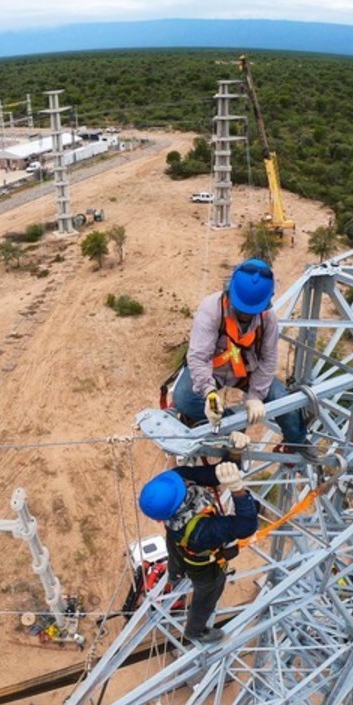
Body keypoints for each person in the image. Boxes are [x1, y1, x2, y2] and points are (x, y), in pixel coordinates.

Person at [172, 258, 311, 455]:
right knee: (183, 398)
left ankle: (299, 443)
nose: (245, 315)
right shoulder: (212, 310)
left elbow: (268, 359)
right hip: (215, 370)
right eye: (242, 310)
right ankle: (230, 427)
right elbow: (198, 357)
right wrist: (210, 393)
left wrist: (256, 396)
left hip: (248, 371)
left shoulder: (267, 318)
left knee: (284, 404)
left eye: (251, 311)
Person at [137, 436, 258, 644]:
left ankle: (174, 574)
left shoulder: (175, 481)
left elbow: (215, 475)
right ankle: (195, 629)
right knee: (209, 591)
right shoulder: (200, 531)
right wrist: (238, 491)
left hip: (178, 540)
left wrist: (234, 454)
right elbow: (246, 525)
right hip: (202, 566)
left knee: (174, 552)